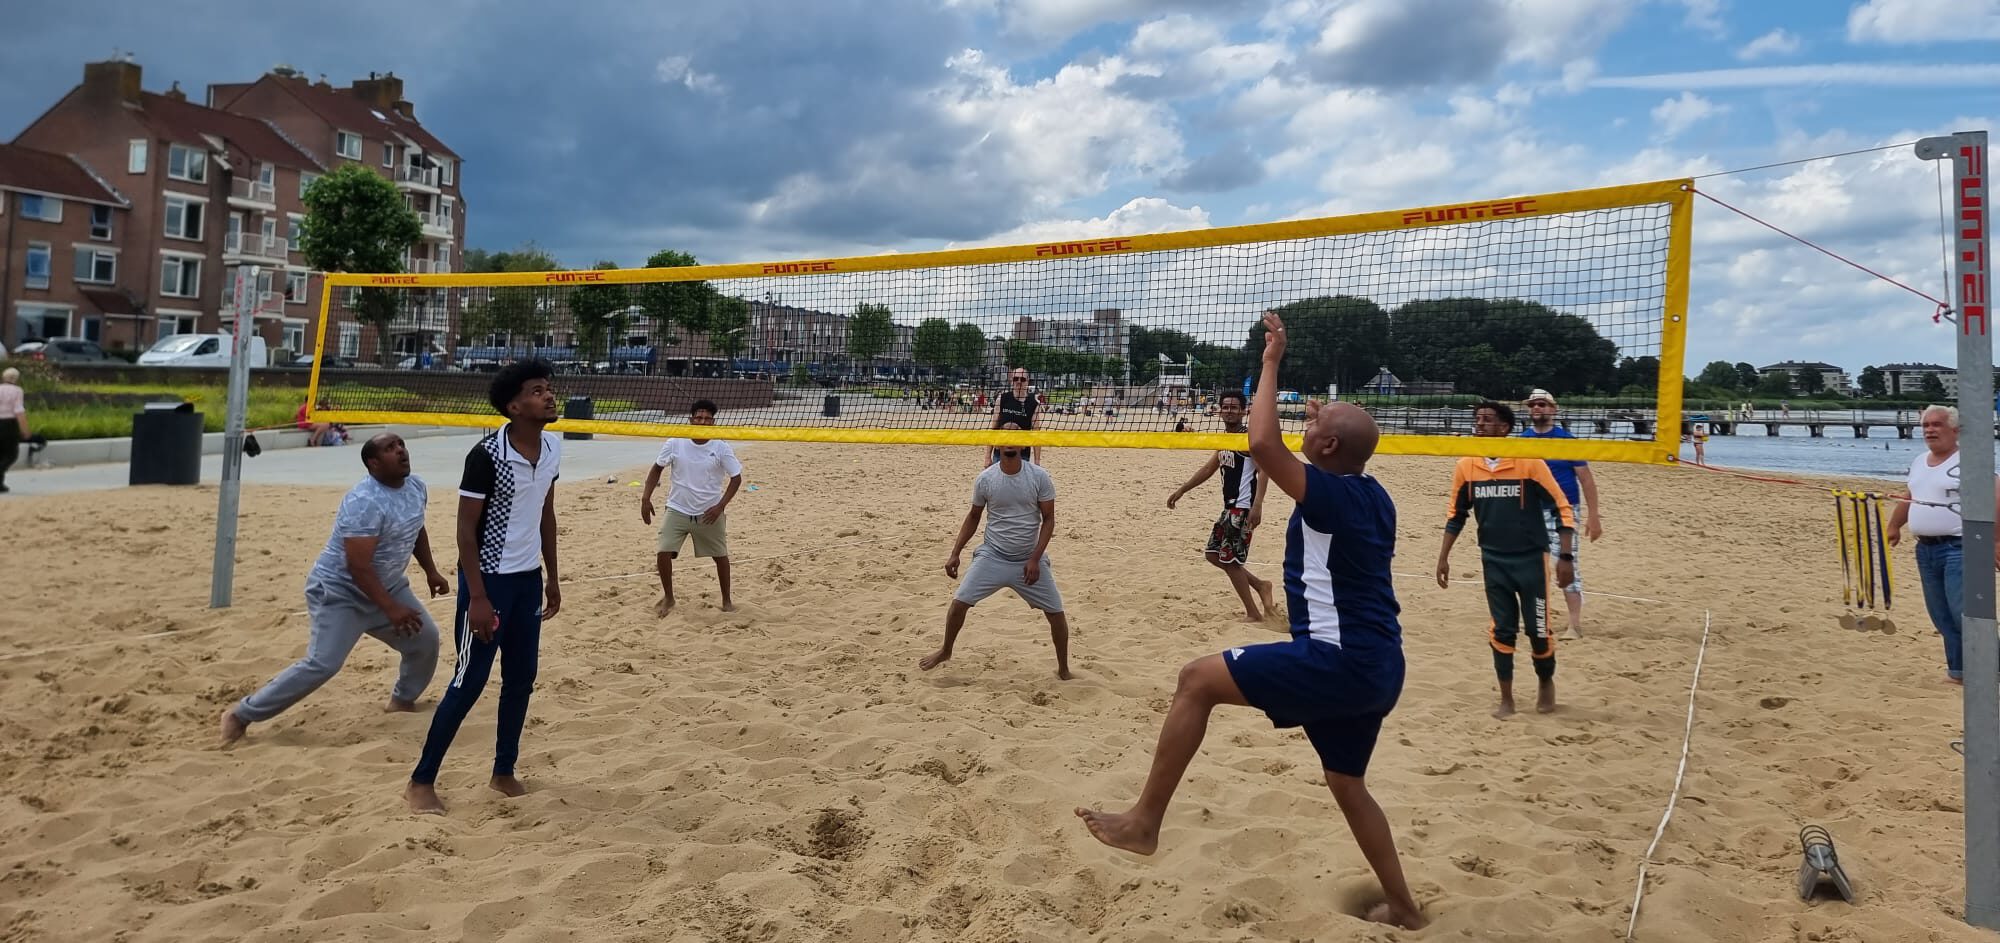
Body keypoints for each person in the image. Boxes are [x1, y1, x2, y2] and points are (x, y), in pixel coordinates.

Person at [1076, 311, 1425, 931]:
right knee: (1348, 784)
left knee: (1196, 680)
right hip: (1380, 665)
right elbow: (1302, 448)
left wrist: (1270, 362)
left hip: (1338, 658)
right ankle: (1403, 906)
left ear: (1328, 448)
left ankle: (1144, 823)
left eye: (1312, 425)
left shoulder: (1333, 494)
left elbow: (1264, 445)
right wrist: (1320, 422)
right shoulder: (1373, 495)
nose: (1304, 424)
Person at [406, 360, 564, 815]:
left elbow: (546, 514)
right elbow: (464, 531)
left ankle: (503, 772)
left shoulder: (552, 448)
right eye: (537, 391)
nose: (548, 396)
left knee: (521, 679)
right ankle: (421, 781)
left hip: (527, 582)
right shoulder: (487, 455)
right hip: (488, 582)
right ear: (514, 406)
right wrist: (476, 596)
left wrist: (552, 576)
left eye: (548, 388)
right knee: (469, 680)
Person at [219, 434, 450, 744]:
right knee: (323, 664)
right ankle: (241, 715)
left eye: (401, 445)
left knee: (425, 639)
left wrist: (431, 571)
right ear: (373, 463)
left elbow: (415, 527)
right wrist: (391, 608)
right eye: (390, 449)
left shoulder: (416, 486)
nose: (400, 451)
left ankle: (402, 700)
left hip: (389, 586)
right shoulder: (364, 501)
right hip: (341, 592)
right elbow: (358, 567)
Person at [1437, 401, 1577, 718]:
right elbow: (1456, 514)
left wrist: (1566, 556)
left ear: (1504, 427)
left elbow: (1561, 507)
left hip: (1531, 560)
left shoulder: (1529, 462)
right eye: (1477, 419)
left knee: (1538, 630)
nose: (1479, 424)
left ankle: (1545, 682)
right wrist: (1443, 557)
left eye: (1487, 419)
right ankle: (1507, 698)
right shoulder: (1467, 465)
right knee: (1502, 629)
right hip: (1493, 560)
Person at [921, 421, 1072, 680]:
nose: (1009, 439)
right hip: (993, 555)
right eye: (1004, 435)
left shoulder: (1039, 476)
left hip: (1028, 559)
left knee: (1056, 614)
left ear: (1023, 443)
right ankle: (946, 651)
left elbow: (1049, 519)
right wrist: (955, 552)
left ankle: (1064, 669)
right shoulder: (986, 478)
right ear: (997, 443)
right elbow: (973, 516)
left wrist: (1035, 558)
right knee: (958, 604)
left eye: (1016, 435)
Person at [1887, 405, 2000, 684]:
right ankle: (1959, 672)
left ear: (1955, 430)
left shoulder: (1969, 461)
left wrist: (1996, 540)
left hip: (1960, 548)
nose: (1930, 430)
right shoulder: (1919, 461)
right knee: (1940, 615)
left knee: (1966, 614)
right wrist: (1894, 525)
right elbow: (1911, 495)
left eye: (1937, 424)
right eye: (1926, 425)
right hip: (1925, 549)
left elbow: (1995, 495)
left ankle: (1990, 670)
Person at [1166, 391, 1276, 622]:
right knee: (1213, 555)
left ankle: (1253, 613)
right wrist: (1182, 490)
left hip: (1243, 507)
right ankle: (1260, 585)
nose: (1229, 411)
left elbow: (1265, 470)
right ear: (1219, 411)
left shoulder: (1248, 438)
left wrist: (1258, 505)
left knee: (1231, 561)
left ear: (1244, 411)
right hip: (1229, 507)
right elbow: (1208, 469)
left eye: (1234, 407)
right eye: (1225, 407)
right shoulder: (1225, 439)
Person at [641, 399, 743, 615]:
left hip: (709, 512)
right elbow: (657, 469)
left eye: (707, 418)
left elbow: (736, 478)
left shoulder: (721, 447)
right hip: (677, 508)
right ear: (691, 420)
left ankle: (727, 601)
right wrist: (645, 498)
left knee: (720, 557)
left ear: (713, 422)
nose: (702, 421)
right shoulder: (675, 442)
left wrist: (720, 506)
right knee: (663, 552)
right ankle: (669, 598)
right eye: (698, 418)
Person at [1517, 389, 1604, 639]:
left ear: (1553, 409)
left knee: (1566, 565)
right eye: (1533, 405)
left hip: (1564, 511)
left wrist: (1593, 516)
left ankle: (1574, 625)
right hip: (1531, 511)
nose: (1536, 408)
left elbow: (1586, 480)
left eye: (1542, 404)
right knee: (1530, 567)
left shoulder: (1567, 440)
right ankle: (1535, 618)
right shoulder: (1522, 441)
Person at [988, 367, 1042, 466]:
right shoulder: (1002, 399)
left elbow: (1036, 434)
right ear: (1011, 380)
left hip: (1022, 455)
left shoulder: (1033, 403)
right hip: (1000, 454)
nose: (1019, 381)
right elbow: (993, 429)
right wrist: (987, 457)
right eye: (1015, 378)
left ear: (1027, 381)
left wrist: (1037, 461)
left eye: (1022, 379)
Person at [0, 367, 27, 493]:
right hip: (9, 424)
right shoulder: (17, 391)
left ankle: (0, 484)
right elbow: (19, 411)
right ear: (16, 379)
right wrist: (24, 429)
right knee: (11, 454)